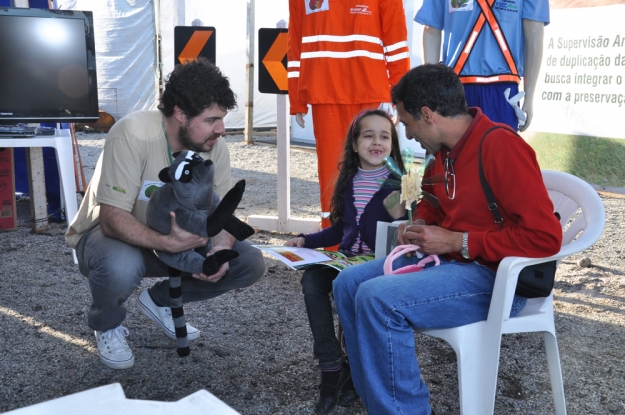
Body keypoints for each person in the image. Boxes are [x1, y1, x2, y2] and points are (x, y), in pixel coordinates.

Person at [331, 64, 563, 414]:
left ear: (428, 115)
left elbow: (545, 238)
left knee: (378, 298)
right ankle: (378, 402)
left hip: (497, 277)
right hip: (450, 264)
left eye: (407, 123)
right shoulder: (442, 152)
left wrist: (457, 242)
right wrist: (422, 223)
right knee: (347, 283)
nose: (407, 135)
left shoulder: (501, 146)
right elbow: (435, 207)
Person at [65, 58, 266, 370]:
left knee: (248, 263)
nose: (221, 129)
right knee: (119, 267)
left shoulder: (214, 147)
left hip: (180, 243)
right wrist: (167, 242)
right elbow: (111, 218)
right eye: (212, 119)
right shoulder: (132, 132)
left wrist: (222, 247)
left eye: (222, 119)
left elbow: (222, 213)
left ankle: (160, 300)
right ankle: (106, 324)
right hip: (116, 238)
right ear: (180, 113)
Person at [284, 109, 407, 414]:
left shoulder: (399, 183)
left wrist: (403, 211)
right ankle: (331, 368)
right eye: (368, 135)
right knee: (312, 278)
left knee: (349, 287)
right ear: (354, 144)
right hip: (348, 258)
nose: (376, 142)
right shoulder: (349, 180)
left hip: (380, 264)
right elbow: (341, 229)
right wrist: (304, 240)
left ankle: (352, 371)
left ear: (393, 144)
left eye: (384, 136)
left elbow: (406, 229)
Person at [287, 0, 410, 229]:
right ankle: (334, 237)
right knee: (333, 172)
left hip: (369, 90)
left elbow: (395, 40)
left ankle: (375, 236)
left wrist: (400, 94)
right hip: (325, 90)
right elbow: (296, 41)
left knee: (376, 168)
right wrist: (297, 99)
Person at [416, 0, 548, 131]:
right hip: (454, 91)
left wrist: (530, 96)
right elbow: (431, 28)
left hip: (503, 93)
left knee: (499, 149)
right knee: (456, 151)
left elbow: (534, 31)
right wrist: (430, 90)